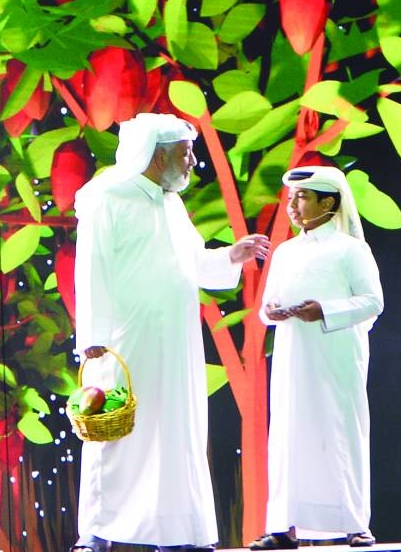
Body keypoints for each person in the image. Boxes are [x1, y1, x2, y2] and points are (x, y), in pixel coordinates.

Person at [72, 112, 270, 552]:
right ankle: (99, 532)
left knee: (177, 434)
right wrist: (93, 341)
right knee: (119, 432)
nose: (192, 162)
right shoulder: (109, 197)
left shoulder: (171, 203)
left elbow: (193, 262)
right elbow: (91, 271)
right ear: (158, 156)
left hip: (176, 342)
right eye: (185, 154)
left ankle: (179, 533)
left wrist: (232, 256)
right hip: (125, 340)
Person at [248, 166, 384, 550]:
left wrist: (324, 310)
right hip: (294, 355)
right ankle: (284, 526)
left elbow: (373, 302)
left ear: (329, 202)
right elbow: (265, 307)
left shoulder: (351, 249)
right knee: (291, 432)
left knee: (341, 430)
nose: (292, 205)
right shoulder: (286, 251)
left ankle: (355, 523)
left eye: (302, 197)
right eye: (291, 198)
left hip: (337, 354)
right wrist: (271, 312)